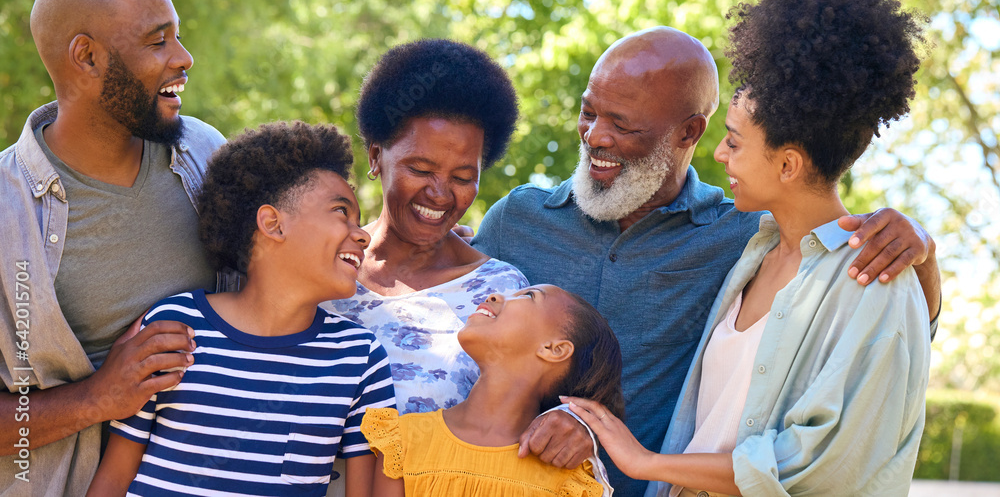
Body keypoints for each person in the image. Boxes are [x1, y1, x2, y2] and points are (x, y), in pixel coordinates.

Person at [471, 27, 941, 495]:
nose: (595, 136)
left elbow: (881, 345)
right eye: (588, 112)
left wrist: (922, 254)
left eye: (622, 124)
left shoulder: (740, 236)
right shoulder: (517, 219)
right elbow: (451, 317)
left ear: (689, 131)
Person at [0, 0, 225, 494]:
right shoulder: (5, 211)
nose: (184, 58)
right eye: (157, 41)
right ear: (88, 56)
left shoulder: (207, 153)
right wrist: (98, 396)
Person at [87, 121, 395, 496]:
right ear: (272, 224)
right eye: (341, 212)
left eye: (359, 220)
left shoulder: (359, 359)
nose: (362, 233)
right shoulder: (175, 326)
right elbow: (113, 479)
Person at [323, 39, 528, 415]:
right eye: (420, 170)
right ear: (375, 157)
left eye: (463, 177)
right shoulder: (320, 267)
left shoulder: (501, 294)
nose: (439, 194)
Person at [362, 284, 622, 496]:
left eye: (529, 296)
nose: (494, 294)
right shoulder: (403, 441)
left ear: (554, 350)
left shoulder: (573, 481)